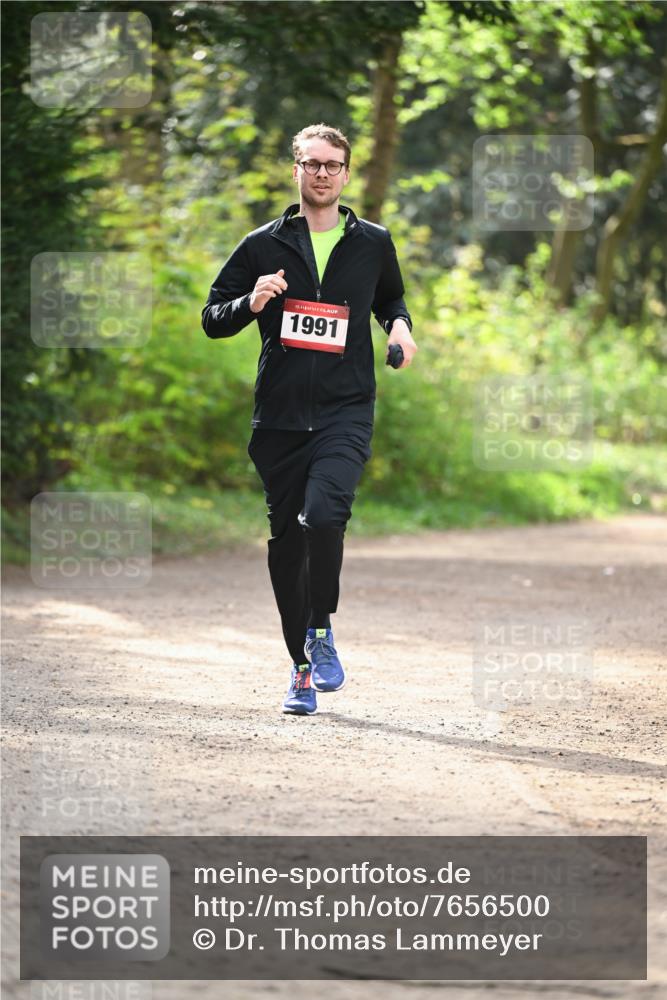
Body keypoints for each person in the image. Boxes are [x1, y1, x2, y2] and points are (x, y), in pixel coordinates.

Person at [201, 123, 417, 716]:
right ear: (295, 169)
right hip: (279, 417)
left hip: (346, 409)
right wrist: (252, 302)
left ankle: (321, 628)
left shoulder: (372, 241)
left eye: (332, 165)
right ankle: (301, 667)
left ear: (346, 175)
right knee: (286, 544)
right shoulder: (262, 244)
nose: (322, 173)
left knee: (325, 515)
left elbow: (391, 302)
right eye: (311, 163)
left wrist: (400, 329)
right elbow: (212, 317)